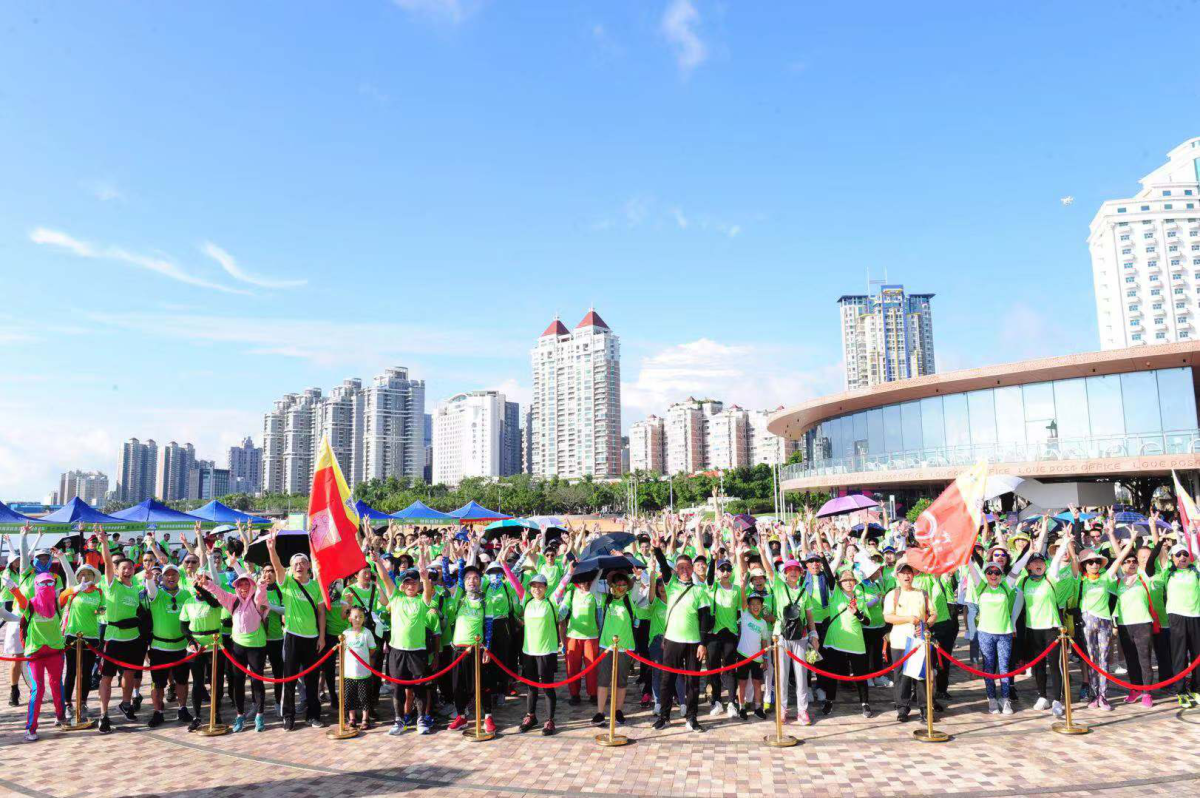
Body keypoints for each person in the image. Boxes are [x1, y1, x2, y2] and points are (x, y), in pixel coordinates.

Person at [501, 552, 571, 735]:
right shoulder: (526, 600)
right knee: (531, 686)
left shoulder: (551, 601)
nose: (536, 589)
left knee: (547, 686)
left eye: (540, 586)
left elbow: (562, 585)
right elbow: (514, 582)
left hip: (547, 651)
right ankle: (530, 716)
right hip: (529, 651)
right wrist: (504, 565)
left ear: (546, 588)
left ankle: (550, 720)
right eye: (533, 586)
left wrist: (570, 572)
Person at [371, 545, 437, 735]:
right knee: (398, 688)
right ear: (402, 584)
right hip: (397, 651)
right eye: (407, 582)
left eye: (414, 582)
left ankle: (421, 720)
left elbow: (427, 592)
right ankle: (399, 721)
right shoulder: (396, 597)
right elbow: (385, 578)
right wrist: (377, 561)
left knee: (419, 688)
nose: (410, 585)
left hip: (417, 651)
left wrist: (424, 577)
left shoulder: (422, 600)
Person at [193, 567, 270, 732]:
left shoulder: (257, 600)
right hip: (238, 646)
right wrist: (206, 584)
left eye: (247, 584)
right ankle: (240, 715)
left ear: (252, 585)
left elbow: (261, 596)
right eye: (240, 584)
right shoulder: (233, 600)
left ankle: (260, 715)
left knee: (257, 681)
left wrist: (262, 585)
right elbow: (219, 593)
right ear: (236, 587)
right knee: (237, 681)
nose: (243, 588)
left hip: (256, 646)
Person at [265, 530, 328, 730]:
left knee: (312, 680)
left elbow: (321, 613)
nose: (299, 566)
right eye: (295, 564)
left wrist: (322, 637)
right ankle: (289, 716)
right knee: (289, 679)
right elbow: (277, 566)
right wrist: (272, 549)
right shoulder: (287, 583)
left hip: (313, 638)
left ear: (308, 566)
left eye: (302, 563)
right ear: (291, 569)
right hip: (292, 637)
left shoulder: (316, 586)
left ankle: (313, 715)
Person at [652, 540, 713, 732]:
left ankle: (692, 718)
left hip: (693, 642)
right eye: (681, 567)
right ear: (676, 570)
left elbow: (704, 618)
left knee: (692, 682)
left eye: (687, 567)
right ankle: (664, 716)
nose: (685, 570)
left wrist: (703, 644)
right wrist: (657, 550)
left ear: (692, 569)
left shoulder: (699, 590)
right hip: (672, 640)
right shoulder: (671, 585)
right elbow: (663, 565)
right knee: (667, 679)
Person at [758, 548, 817, 726]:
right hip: (781, 635)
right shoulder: (779, 586)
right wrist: (762, 552)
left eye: (796, 570)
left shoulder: (804, 592)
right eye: (789, 570)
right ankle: (782, 709)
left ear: (800, 573)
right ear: (785, 573)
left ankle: (802, 710)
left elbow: (809, 616)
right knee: (782, 675)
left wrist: (814, 634)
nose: (793, 572)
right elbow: (769, 571)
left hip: (800, 635)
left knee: (801, 674)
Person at [95, 527, 146, 733]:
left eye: (130, 568)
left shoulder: (135, 589)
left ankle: (126, 704)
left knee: (130, 674)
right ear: (117, 571)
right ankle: (103, 714)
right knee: (106, 677)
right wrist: (104, 543)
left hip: (132, 637)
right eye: (123, 568)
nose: (127, 571)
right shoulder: (112, 585)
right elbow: (108, 562)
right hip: (113, 638)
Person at [1017, 536, 1073, 718]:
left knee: (1055, 665)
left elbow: (1056, 561)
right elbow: (1018, 606)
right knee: (1038, 666)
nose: (1038, 564)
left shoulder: (1050, 578)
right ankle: (1042, 696)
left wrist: (1065, 542)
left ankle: (1057, 699)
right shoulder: (1024, 582)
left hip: (1052, 629)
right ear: (1028, 567)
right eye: (1034, 562)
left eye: (1041, 562)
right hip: (1033, 630)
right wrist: (1012, 624)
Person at [7, 571, 67, 741]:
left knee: (56, 685)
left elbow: (68, 592)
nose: (46, 586)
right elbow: (20, 600)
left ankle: (60, 715)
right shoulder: (31, 604)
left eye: (50, 583)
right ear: (36, 585)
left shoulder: (57, 604)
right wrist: (13, 588)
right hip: (35, 654)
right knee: (38, 689)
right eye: (42, 583)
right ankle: (31, 728)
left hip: (55, 652)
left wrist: (77, 587)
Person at [142, 564, 193, 727]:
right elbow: (151, 589)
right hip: (159, 647)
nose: (171, 577)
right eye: (167, 575)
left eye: (174, 574)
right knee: (158, 683)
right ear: (162, 577)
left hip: (181, 646)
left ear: (179, 577)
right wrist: (149, 578)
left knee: (182, 681)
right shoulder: (157, 594)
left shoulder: (186, 594)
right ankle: (158, 712)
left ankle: (182, 708)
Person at [884, 561, 935, 722]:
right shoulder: (893, 594)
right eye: (903, 573)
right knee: (901, 677)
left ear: (913, 575)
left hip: (919, 641)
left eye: (909, 573)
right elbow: (888, 617)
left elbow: (933, 614)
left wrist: (926, 624)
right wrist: (908, 619)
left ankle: (925, 708)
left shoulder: (922, 593)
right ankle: (902, 708)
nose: (907, 576)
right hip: (899, 641)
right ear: (897, 576)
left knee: (921, 676)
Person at [822, 568, 873, 718]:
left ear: (855, 582)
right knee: (831, 674)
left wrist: (857, 613)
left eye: (851, 580)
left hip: (855, 642)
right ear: (840, 583)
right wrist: (823, 557)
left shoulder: (860, 599)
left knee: (860, 675)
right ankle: (829, 701)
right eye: (845, 581)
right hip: (835, 641)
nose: (848, 583)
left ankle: (865, 703)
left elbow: (868, 622)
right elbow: (829, 576)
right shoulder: (836, 594)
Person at [1071, 545, 1117, 710]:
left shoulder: (1105, 577)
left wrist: (1131, 539)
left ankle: (1103, 696)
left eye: (1097, 562)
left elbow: (1118, 561)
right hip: (1087, 620)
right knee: (1091, 659)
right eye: (1090, 562)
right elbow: (1074, 561)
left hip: (1105, 621)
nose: (1094, 565)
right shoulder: (1080, 579)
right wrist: (1069, 543)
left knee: (1103, 659)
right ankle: (1093, 695)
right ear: (1084, 565)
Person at [60, 563, 104, 723]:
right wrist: (76, 588)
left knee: (86, 672)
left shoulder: (99, 592)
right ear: (78, 577)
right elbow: (61, 599)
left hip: (91, 636)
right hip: (72, 635)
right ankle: (67, 704)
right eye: (82, 574)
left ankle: (83, 702)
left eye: (89, 574)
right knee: (71, 671)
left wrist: (97, 612)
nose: (85, 577)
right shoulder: (73, 590)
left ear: (94, 577)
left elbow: (102, 609)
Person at [1162, 543, 1200, 707]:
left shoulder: (1196, 571)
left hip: (1196, 616)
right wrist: (1160, 540)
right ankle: (1181, 691)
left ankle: (1196, 688)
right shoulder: (1168, 573)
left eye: (1185, 554)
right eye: (1178, 555)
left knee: (1197, 655)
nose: (1182, 557)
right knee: (1180, 656)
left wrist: (1192, 534)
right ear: (1172, 558)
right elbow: (1161, 556)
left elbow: (1196, 553)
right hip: (1177, 617)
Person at [342, 606, 377, 729]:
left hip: (364, 672)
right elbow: (342, 650)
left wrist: (364, 657)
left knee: (364, 697)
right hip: (349, 673)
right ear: (350, 618)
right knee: (350, 697)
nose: (358, 619)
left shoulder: (367, 633)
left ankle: (365, 718)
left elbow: (372, 649)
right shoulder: (346, 634)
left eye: (361, 617)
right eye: (355, 617)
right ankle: (352, 718)